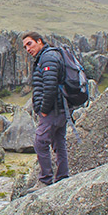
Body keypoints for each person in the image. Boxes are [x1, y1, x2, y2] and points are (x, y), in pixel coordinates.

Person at [22, 31, 68, 188]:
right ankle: (62, 177)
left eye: (30, 44)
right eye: (25, 47)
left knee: (40, 142)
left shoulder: (47, 57)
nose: (28, 49)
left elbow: (50, 86)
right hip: (61, 108)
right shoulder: (47, 56)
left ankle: (46, 179)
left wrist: (44, 110)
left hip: (53, 109)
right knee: (59, 142)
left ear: (39, 41)